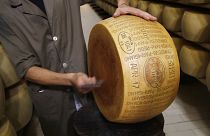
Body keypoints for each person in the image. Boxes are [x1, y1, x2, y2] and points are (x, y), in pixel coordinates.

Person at [0, 0, 164, 135]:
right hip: (53, 98)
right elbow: (26, 67)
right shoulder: (4, 10)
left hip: (91, 88)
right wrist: (70, 79)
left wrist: (122, 4)